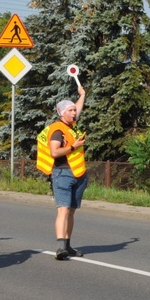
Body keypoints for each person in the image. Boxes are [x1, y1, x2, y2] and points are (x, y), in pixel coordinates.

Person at [49, 88, 87, 260]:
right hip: (62, 173)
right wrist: (73, 147)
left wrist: (82, 95)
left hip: (79, 174)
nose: (74, 113)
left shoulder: (72, 126)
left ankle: (68, 245)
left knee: (71, 211)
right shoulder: (58, 130)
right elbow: (54, 152)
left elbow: (78, 108)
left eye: (74, 110)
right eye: (71, 111)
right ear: (62, 113)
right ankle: (60, 247)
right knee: (63, 210)